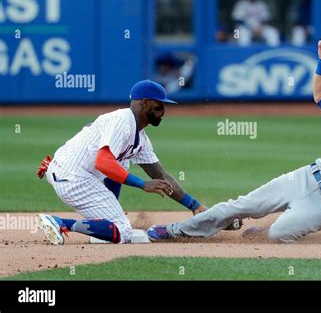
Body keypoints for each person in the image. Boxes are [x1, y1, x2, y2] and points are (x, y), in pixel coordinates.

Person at [147, 38, 321, 243]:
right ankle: (175, 230)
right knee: (237, 206)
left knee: (277, 234)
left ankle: (262, 232)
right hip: (304, 177)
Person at [36, 80, 206, 245]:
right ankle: (60, 222)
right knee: (123, 230)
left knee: (123, 162)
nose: (164, 110)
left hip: (74, 173)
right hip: (72, 177)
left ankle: (106, 222)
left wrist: (195, 206)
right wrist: (142, 184)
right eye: (159, 105)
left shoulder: (141, 138)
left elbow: (161, 176)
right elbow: (103, 162)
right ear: (145, 102)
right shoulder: (122, 121)